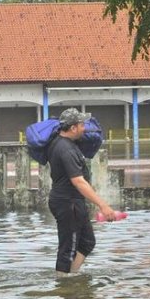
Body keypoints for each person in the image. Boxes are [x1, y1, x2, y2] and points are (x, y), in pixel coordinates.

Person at [47, 108, 115, 277]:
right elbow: (78, 181)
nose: (85, 128)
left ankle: (72, 277)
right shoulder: (65, 149)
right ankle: (63, 286)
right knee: (68, 248)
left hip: (72, 201)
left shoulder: (65, 143)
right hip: (67, 202)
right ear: (73, 128)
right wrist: (103, 205)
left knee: (87, 242)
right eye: (82, 125)